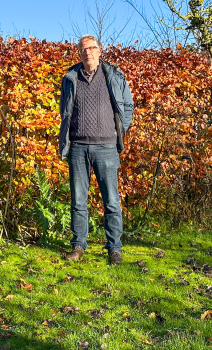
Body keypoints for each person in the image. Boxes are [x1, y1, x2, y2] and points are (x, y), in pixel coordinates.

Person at [59, 35, 134, 265]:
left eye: (91, 48)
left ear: (99, 50)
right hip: (78, 147)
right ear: (79, 53)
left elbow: (128, 107)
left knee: (111, 201)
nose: (87, 53)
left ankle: (114, 249)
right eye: (83, 50)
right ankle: (78, 246)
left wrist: (117, 132)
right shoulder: (70, 78)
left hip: (106, 147)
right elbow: (65, 111)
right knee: (78, 201)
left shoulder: (114, 75)